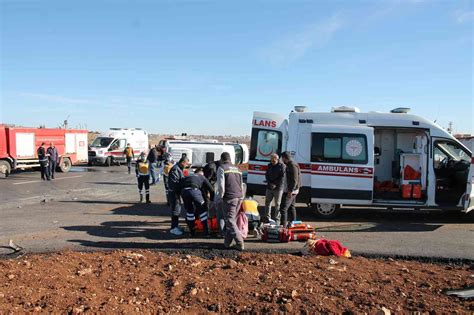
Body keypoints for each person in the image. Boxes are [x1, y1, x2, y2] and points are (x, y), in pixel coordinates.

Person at [216, 152, 244, 251]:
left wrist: (219, 198)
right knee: (231, 220)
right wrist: (242, 197)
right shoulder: (238, 169)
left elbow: (221, 186)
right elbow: (241, 185)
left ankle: (239, 242)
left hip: (229, 198)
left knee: (230, 220)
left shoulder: (222, 168)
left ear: (221, 159)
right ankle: (227, 243)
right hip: (239, 197)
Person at [180, 167, 215, 236]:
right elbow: (211, 190)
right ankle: (206, 232)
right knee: (203, 211)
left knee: (190, 212)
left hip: (184, 192)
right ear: (201, 173)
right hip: (194, 191)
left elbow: (179, 185)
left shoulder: (188, 176)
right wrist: (211, 201)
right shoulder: (202, 177)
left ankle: (192, 232)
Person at [278, 151, 301, 228]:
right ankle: (293, 223)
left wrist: (290, 191)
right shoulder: (289, 164)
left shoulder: (292, 165)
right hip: (292, 189)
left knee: (283, 208)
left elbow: (295, 180)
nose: (282, 160)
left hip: (292, 190)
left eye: (282, 158)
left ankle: (283, 226)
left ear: (285, 158)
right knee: (291, 207)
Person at [167, 156, 189, 236]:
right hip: (174, 193)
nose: (186, 166)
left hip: (176, 192)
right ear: (183, 162)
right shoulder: (176, 169)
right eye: (186, 164)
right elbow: (175, 183)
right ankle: (173, 228)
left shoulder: (178, 169)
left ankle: (175, 226)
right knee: (176, 210)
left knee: (177, 209)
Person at [203, 160, 225, 234]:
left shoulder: (215, 166)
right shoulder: (212, 168)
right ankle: (208, 218)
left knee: (211, 199)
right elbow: (207, 180)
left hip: (210, 184)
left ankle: (210, 216)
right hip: (206, 185)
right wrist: (208, 192)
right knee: (208, 202)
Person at [264, 153, 285, 223]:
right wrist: (269, 182)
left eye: (273, 160)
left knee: (277, 204)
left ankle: (277, 220)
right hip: (269, 187)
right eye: (271, 160)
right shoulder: (269, 165)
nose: (272, 162)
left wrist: (275, 184)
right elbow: (266, 174)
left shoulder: (282, 166)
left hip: (278, 188)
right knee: (267, 203)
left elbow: (282, 178)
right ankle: (267, 218)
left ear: (277, 159)